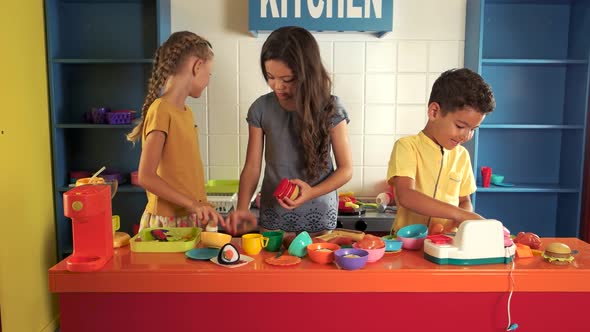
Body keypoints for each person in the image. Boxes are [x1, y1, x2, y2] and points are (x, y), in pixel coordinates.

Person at [224, 26, 353, 236]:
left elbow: (346, 170)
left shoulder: (332, 108)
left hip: (318, 215)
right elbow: (252, 167)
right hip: (274, 216)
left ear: (307, 74)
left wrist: (311, 192)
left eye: (287, 79)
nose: (277, 86)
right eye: (270, 77)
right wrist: (242, 209)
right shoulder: (261, 109)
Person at [127, 31, 224, 230]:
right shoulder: (161, 110)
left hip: (186, 219)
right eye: (209, 73)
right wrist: (192, 204)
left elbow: (182, 173)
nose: (209, 80)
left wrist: (200, 204)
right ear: (197, 67)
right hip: (167, 224)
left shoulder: (185, 113)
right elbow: (146, 176)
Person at [386, 68, 495, 235]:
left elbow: (464, 200)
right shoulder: (407, 147)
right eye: (460, 126)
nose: (466, 136)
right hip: (407, 245)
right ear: (434, 112)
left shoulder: (462, 156)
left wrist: (462, 219)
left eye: (473, 129)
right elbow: (406, 195)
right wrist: (461, 214)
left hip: (445, 244)